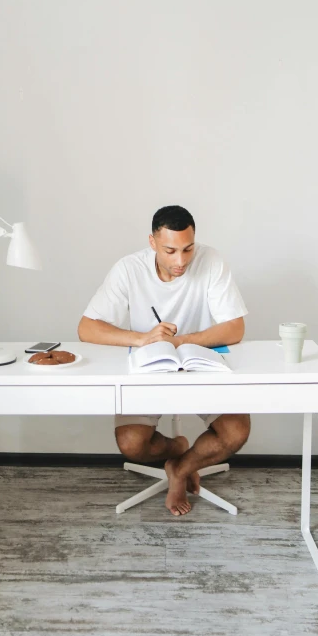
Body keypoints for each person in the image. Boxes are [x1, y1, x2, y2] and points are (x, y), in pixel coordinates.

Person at [78, 205, 250, 516]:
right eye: (170, 250)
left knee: (236, 432)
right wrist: (143, 338)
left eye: (188, 249)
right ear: (152, 242)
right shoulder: (128, 268)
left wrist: (181, 340)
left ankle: (180, 469)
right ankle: (178, 449)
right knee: (131, 444)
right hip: (150, 366)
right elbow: (87, 328)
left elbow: (235, 328)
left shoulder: (211, 261)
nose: (181, 261)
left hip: (198, 362)